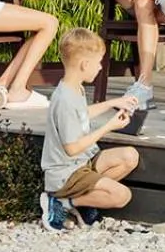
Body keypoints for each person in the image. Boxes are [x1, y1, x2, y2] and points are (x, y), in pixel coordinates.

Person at [40, 28, 141, 231]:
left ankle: (84, 203)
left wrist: (113, 102)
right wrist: (108, 127)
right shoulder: (65, 100)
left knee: (129, 156)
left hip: (81, 164)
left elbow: (81, 114)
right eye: (99, 62)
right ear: (85, 64)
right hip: (66, 173)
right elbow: (72, 148)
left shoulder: (74, 88)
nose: (101, 67)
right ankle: (63, 203)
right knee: (122, 196)